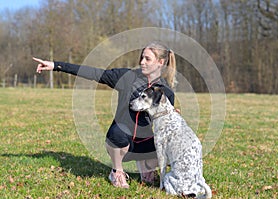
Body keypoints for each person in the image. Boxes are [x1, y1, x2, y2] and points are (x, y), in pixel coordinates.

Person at [33, 41, 177, 189]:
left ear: (160, 62)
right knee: (118, 134)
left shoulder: (166, 91)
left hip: (144, 141)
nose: (141, 62)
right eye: (142, 57)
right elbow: (94, 73)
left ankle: (146, 168)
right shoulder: (126, 77)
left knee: (170, 145)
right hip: (121, 140)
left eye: (147, 59)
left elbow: (168, 123)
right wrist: (56, 65)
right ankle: (117, 171)